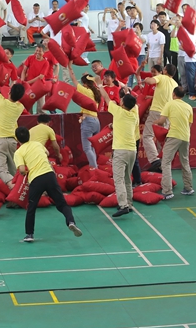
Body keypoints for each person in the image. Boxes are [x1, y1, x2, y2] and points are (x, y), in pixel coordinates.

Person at [14, 126, 82, 242]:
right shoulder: (37, 144)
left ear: (17, 139)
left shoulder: (19, 152)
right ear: (29, 136)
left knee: (32, 207)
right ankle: (71, 222)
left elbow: (21, 170)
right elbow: (45, 153)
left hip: (36, 179)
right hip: (50, 175)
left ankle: (29, 235)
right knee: (62, 204)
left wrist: (25, 171)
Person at [98, 88, 139, 217]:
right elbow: (132, 102)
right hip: (132, 150)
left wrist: (99, 86)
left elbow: (106, 98)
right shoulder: (134, 113)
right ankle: (129, 203)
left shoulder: (118, 112)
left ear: (122, 104)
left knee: (119, 179)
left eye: (121, 99)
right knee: (127, 178)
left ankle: (123, 205)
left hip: (120, 151)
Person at [154, 87, 195, 199]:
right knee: (185, 162)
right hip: (186, 137)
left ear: (174, 94)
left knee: (166, 162)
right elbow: (189, 124)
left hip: (173, 136)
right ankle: (188, 188)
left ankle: (167, 191)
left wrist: (155, 123)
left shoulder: (170, 104)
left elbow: (162, 121)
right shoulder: (189, 107)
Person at [0, 77, 26, 187]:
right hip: (12, 142)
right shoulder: (20, 107)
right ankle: (18, 193)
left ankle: (13, 188)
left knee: (1, 171)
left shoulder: (0, 102)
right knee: (13, 170)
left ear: (9, 92)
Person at [142, 64, 179, 171]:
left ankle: (155, 160)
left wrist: (146, 79)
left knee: (147, 136)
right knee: (162, 138)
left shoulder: (161, 77)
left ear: (165, 71)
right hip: (168, 114)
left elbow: (150, 82)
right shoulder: (175, 83)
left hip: (157, 111)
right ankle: (163, 163)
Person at [67, 65, 102, 169]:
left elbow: (74, 80)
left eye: (83, 83)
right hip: (96, 122)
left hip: (88, 122)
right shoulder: (96, 92)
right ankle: (95, 166)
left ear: (85, 84)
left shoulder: (86, 91)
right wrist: (87, 76)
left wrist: (70, 67)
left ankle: (94, 168)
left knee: (87, 148)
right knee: (94, 147)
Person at [19, 44, 54, 113]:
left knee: (41, 107)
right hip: (29, 86)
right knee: (28, 105)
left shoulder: (46, 63)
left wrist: (27, 82)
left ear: (43, 52)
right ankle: (29, 119)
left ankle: (42, 120)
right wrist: (22, 81)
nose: (37, 52)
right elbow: (24, 70)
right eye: (36, 50)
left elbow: (40, 77)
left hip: (39, 87)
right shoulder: (30, 58)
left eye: (40, 51)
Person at [184, 31, 196, 100]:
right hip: (189, 60)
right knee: (191, 78)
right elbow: (181, 46)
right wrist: (189, 50)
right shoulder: (185, 34)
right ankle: (192, 94)